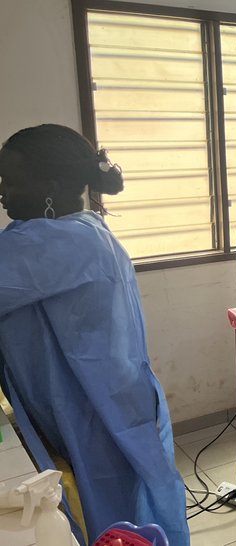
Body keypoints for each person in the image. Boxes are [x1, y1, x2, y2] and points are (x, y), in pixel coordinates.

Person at [0, 124, 189, 545]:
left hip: (96, 410)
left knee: (110, 513)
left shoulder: (52, 242)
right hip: (114, 399)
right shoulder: (84, 227)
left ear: (48, 187)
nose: (2, 190)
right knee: (131, 500)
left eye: (9, 180)